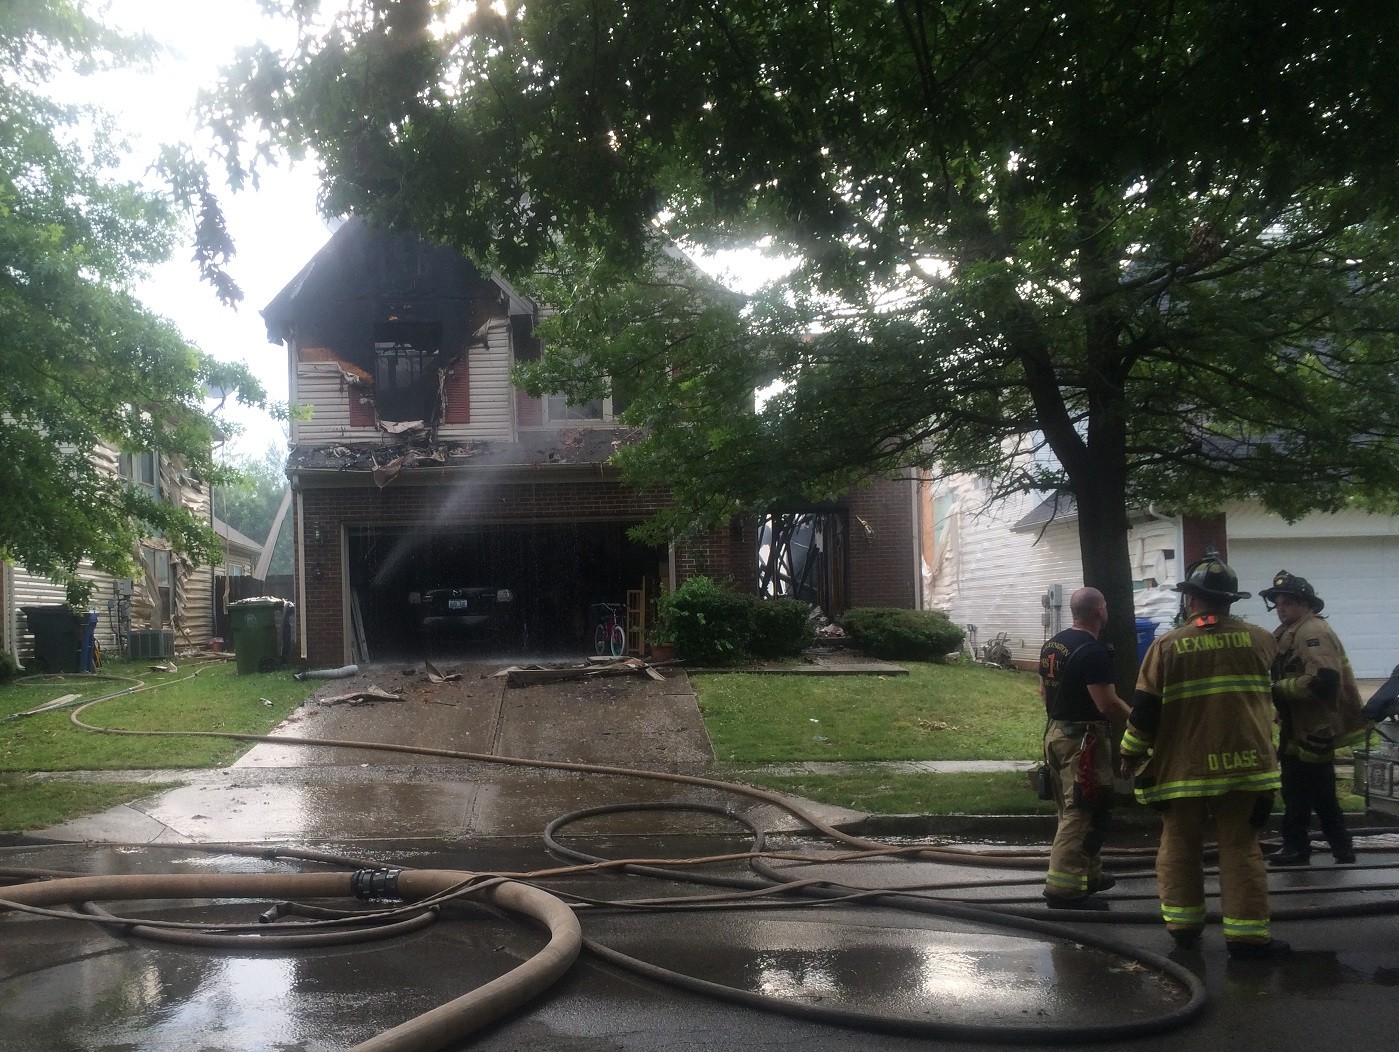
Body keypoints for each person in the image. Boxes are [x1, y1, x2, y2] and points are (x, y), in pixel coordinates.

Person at [1117, 555, 1288, 959]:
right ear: (1229, 600)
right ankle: (1247, 937)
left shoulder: (1166, 646)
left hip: (1183, 770)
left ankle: (1184, 927)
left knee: (1179, 845)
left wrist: (1129, 753)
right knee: (1241, 847)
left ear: (1192, 599)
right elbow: (1287, 693)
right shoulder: (1263, 640)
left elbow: (1144, 712)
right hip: (1246, 768)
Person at [1259, 571, 1368, 867]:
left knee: (1298, 789)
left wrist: (1277, 690)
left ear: (1306, 604)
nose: (1281, 609)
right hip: (1300, 726)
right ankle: (1339, 847)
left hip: (1315, 726)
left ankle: (1298, 847)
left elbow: (1324, 681)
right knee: (1317, 791)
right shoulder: (1291, 631)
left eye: (1288, 603)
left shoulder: (1312, 632)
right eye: (1278, 603)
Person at [1038, 586, 1132, 909]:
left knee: (1079, 807)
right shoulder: (1093, 652)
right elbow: (1107, 703)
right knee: (1082, 810)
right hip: (1083, 741)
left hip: (1056, 734)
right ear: (1098, 612)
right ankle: (1064, 889)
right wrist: (1139, 723)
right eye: (1105, 606)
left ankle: (1088, 875)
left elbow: (1043, 692)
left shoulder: (1053, 645)